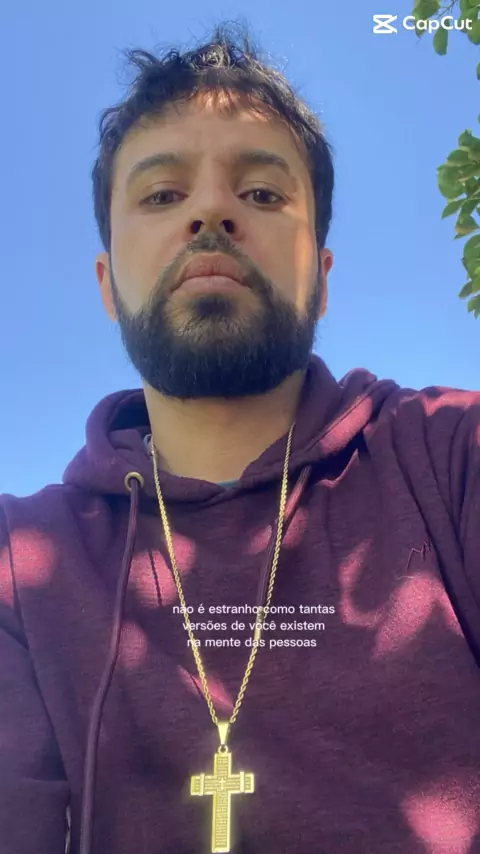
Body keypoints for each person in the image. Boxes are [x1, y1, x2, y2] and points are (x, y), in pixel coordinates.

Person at [1, 20, 480, 854]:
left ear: (321, 278)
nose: (211, 211)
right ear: (108, 285)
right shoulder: (21, 565)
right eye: (162, 195)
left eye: (261, 194)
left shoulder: (451, 456)